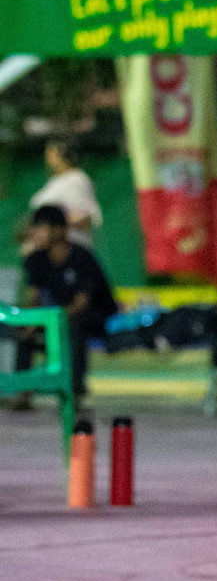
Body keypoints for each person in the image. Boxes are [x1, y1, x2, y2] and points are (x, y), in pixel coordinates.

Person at [14, 204, 117, 408]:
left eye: (39, 227)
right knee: (24, 331)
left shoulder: (82, 257)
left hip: (92, 317)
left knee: (75, 327)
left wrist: (51, 320)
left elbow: (82, 303)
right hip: (57, 317)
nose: (33, 232)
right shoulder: (35, 259)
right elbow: (33, 297)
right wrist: (32, 322)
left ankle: (74, 390)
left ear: (59, 230)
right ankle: (23, 392)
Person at [23, 138, 102, 252]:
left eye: (51, 152)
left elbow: (85, 220)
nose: (47, 157)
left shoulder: (76, 179)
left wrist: (50, 227)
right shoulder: (54, 181)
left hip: (70, 253)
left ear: (63, 154)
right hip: (46, 256)